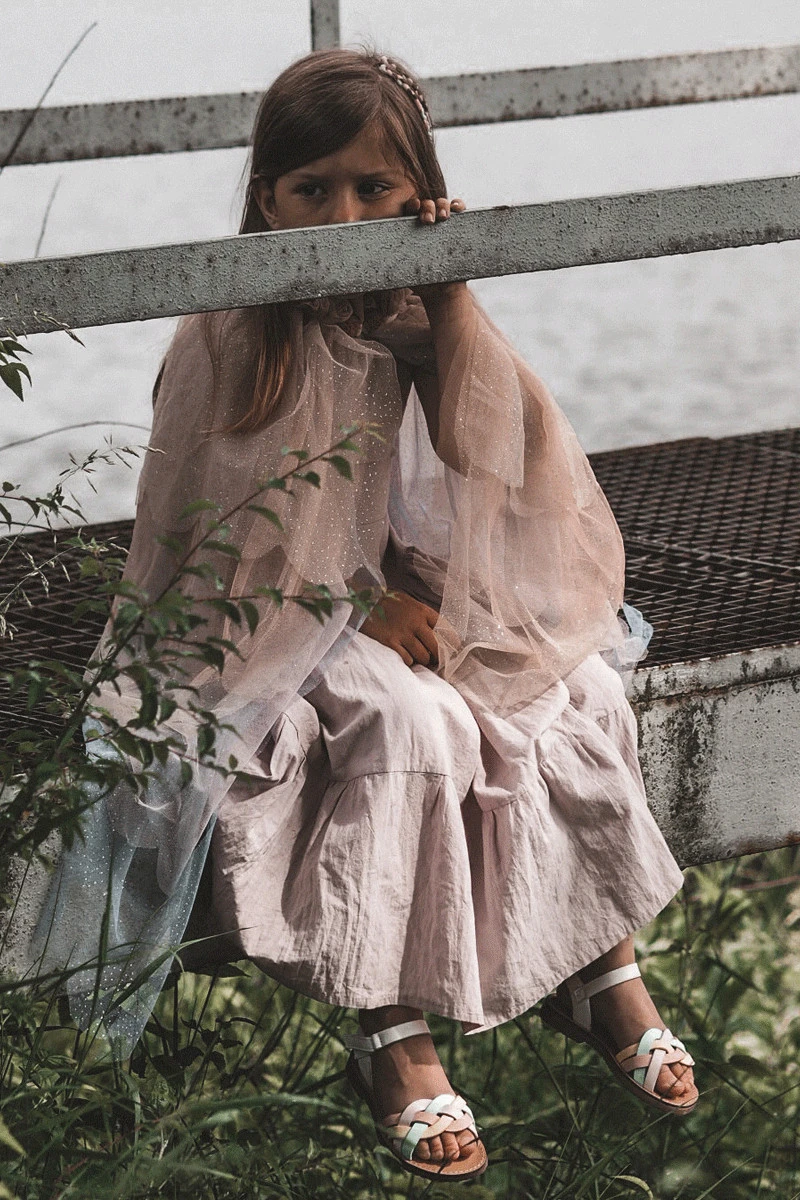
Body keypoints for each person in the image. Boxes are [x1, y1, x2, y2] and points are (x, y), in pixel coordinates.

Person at [35, 48, 697, 1183]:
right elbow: (211, 538)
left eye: (374, 189)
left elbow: (498, 455)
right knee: (413, 723)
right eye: (313, 190)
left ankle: (601, 962)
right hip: (266, 616)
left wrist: (447, 297)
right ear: (266, 199)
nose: (343, 219)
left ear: (418, 195)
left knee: (570, 681)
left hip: (396, 582)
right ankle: (389, 1026)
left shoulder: (410, 307)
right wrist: (354, 603)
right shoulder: (230, 327)